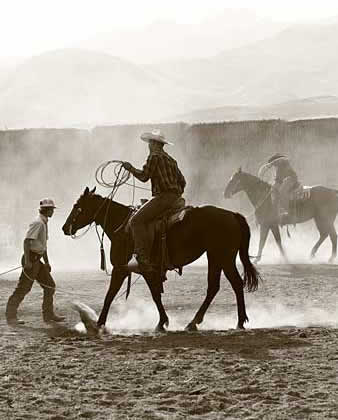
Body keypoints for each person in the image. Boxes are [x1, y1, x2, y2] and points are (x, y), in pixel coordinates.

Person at [122, 129, 186, 273]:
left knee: (135, 221)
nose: (149, 145)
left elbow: (144, 176)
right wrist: (174, 193)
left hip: (162, 198)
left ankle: (142, 259)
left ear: (154, 144)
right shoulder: (171, 160)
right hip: (176, 198)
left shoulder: (154, 157)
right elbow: (183, 182)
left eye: (150, 142)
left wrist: (130, 168)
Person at [6, 198, 65, 325]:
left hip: (38, 260)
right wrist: (27, 261)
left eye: (52, 209)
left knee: (50, 286)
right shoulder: (38, 223)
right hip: (31, 259)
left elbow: (42, 246)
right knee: (23, 288)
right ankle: (11, 317)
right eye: (51, 209)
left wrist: (47, 262)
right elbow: (27, 241)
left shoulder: (44, 223)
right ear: (46, 210)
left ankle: (48, 316)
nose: (52, 212)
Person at [258, 154, 300, 219]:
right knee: (273, 191)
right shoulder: (278, 167)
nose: (273, 166)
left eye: (274, 164)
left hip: (291, 179)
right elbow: (278, 180)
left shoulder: (284, 164)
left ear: (277, 162)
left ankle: (288, 211)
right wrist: (273, 186)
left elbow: (281, 178)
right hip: (285, 180)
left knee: (282, 191)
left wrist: (270, 165)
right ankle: (276, 211)